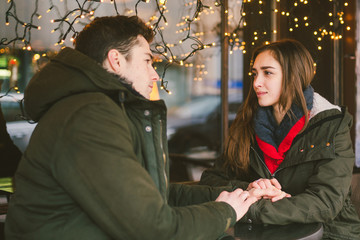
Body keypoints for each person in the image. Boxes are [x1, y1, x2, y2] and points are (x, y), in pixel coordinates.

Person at [4, 15, 284, 240]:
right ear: (116, 60)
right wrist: (225, 212)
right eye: (148, 60)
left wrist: (241, 197)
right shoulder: (89, 116)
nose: (154, 74)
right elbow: (152, 227)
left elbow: (158, 193)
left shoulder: (99, 109)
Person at [199, 39, 360, 239]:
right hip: (264, 233)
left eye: (267, 73)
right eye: (255, 73)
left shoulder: (331, 124)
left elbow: (326, 202)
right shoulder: (246, 122)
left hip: (328, 233)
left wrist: (252, 207)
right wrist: (251, 189)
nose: (257, 82)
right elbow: (211, 179)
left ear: (294, 76)